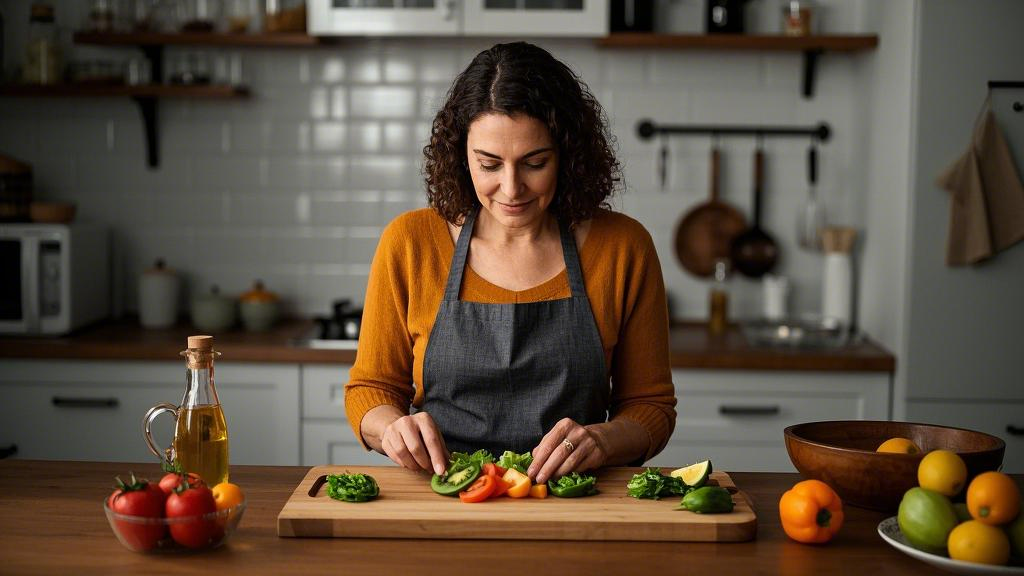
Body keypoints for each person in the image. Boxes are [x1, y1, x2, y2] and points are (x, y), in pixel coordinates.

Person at [344, 41, 676, 486]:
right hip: (447, 498)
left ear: (568, 155)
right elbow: (371, 391)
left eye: (534, 163)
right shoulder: (410, 243)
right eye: (489, 164)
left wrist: (604, 440)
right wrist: (391, 428)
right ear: (461, 157)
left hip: (577, 503)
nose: (511, 187)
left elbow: (650, 406)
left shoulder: (624, 247)